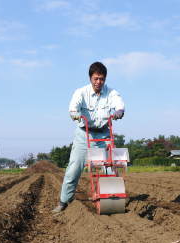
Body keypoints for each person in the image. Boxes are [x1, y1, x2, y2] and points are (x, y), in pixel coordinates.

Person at [52, 62, 125, 213]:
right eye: (96, 78)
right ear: (90, 78)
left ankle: (111, 200)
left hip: (104, 134)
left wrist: (119, 112)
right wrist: (75, 113)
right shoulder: (81, 92)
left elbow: (119, 104)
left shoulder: (111, 93)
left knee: (110, 168)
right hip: (83, 134)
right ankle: (63, 201)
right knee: (74, 169)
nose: (99, 82)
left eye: (102, 79)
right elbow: (73, 107)